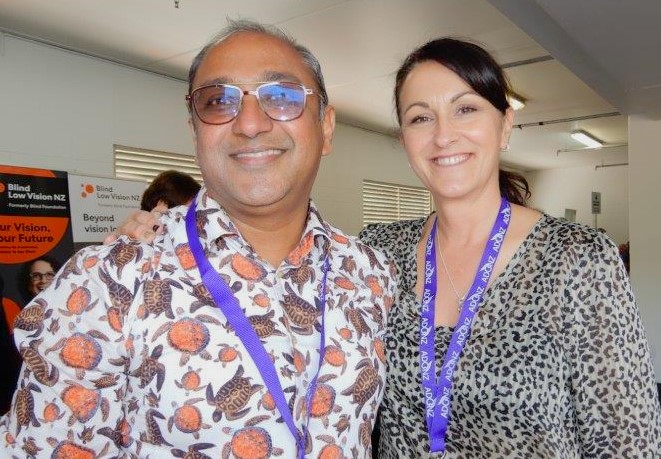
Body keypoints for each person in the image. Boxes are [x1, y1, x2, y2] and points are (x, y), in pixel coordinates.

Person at [0, 20, 395, 458]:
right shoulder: (108, 282)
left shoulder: (371, 274)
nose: (249, 123)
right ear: (195, 131)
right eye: (218, 100)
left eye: (282, 96)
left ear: (326, 127)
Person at [359, 38, 661, 458]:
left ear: (504, 125)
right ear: (404, 139)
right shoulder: (377, 255)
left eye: (466, 109)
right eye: (420, 117)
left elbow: (628, 442)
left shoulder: (578, 258)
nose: (443, 135)